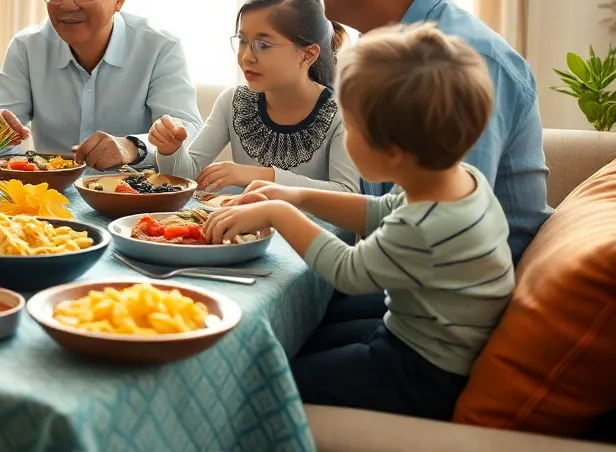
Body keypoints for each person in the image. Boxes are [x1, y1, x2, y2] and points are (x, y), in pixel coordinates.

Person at [204, 24, 513, 421]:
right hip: (410, 335)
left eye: (352, 127)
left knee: (270, 381)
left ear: (394, 151)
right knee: (299, 336)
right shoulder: (458, 180)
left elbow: (350, 272)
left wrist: (279, 213)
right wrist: (296, 195)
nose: (344, 136)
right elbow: (382, 209)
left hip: (419, 372)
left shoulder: (424, 224)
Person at [305, 0, 548, 263]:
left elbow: (444, 240)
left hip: (449, 304)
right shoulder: (383, 48)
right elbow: (391, 208)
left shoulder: (462, 62)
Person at [0, 0, 202, 170]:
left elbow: (186, 130)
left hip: (133, 197)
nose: (66, 4)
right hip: (49, 197)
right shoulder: (27, 47)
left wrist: (132, 146)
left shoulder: (160, 47)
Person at [149, 0, 359, 195]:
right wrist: (171, 150)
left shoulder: (343, 114)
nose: (247, 57)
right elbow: (187, 176)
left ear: (308, 54)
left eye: (263, 45)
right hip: (246, 228)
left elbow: (346, 194)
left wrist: (262, 175)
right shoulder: (233, 102)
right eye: (242, 41)